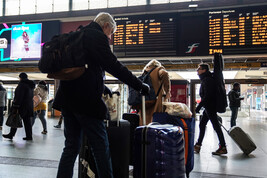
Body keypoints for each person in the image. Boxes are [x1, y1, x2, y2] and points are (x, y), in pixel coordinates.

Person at [54, 12, 149, 178]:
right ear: (105, 26)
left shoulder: (78, 34)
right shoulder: (97, 37)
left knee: (71, 147)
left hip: (67, 101)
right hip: (86, 102)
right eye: (111, 32)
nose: (110, 37)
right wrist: (139, 85)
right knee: (100, 146)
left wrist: (102, 86)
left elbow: (85, 70)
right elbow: (114, 66)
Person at [194, 63, 227, 155]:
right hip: (209, 107)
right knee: (202, 124)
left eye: (199, 69)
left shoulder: (207, 80)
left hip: (210, 107)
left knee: (216, 126)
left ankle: (223, 146)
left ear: (204, 70)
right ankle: (198, 145)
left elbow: (208, 95)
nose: (197, 70)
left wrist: (198, 107)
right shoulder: (206, 79)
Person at [2, 72, 35, 140]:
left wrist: (16, 106)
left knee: (15, 119)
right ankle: (29, 136)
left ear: (20, 78)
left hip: (22, 106)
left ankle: (11, 135)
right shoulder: (30, 86)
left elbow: (19, 97)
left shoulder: (22, 85)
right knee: (27, 122)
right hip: (29, 106)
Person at [137, 59, 171, 125]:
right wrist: (167, 91)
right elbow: (164, 73)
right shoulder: (157, 70)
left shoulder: (144, 73)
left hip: (145, 102)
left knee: (144, 120)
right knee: (155, 121)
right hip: (156, 100)